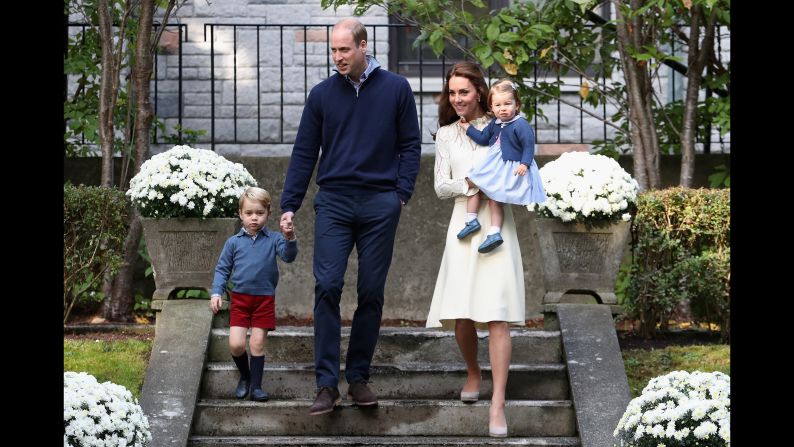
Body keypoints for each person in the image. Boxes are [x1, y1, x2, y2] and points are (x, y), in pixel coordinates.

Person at [279, 17, 421, 416]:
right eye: (333, 51)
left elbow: (411, 145)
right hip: (335, 201)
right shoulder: (322, 94)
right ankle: (327, 385)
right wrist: (290, 203)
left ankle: (358, 377)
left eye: (344, 49)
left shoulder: (396, 88)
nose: (338, 57)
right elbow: (305, 151)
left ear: (363, 45)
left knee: (372, 292)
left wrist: (401, 195)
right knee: (326, 285)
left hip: (380, 203)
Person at [425, 62, 526, 438]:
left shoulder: (503, 124)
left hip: (497, 223)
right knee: (462, 313)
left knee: (497, 313)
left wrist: (502, 180)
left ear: (480, 92)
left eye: (463, 92)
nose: (457, 99)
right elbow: (440, 186)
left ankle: (498, 403)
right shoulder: (447, 135)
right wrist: (470, 183)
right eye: (452, 93)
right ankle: (473, 371)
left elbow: (520, 166)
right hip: (462, 223)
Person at [209, 186, 298, 402]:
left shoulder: (274, 239)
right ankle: (245, 377)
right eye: (249, 213)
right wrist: (216, 292)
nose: (254, 218)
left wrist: (290, 237)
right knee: (236, 344)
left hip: (264, 300)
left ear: (268, 213)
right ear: (240, 214)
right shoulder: (233, 243)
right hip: (240, 299)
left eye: (259, 213)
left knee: (257, 343)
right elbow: (222, 269)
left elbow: (288, 257)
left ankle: (256, 387)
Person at [456, 78, 546, 254]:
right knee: (473, 184)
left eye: (507, 104)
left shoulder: (520, 125)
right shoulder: (495, 123)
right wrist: (467, 128)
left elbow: (528, 146)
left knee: (494, 198)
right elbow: (483, 138)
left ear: (517, 105)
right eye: (497, 105)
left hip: (509, 167)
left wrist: (524, 164)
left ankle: (494, 232)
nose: (502, 108)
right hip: (494, 165)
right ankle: (472, 220)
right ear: (492, 107)